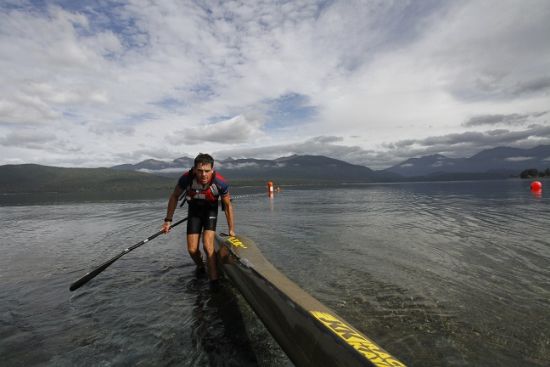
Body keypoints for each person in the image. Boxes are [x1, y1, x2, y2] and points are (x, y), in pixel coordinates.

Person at [162, 153, 235, 283]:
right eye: (200, 171)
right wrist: (168, 220)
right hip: (194, 211)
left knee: (208, 246)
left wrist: (231, 230)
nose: (203, 175)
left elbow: (228, 206)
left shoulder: (220, 182)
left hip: (210, 210)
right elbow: (174, 197)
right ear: (194, 169)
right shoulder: (186, 179)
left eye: (207, 171)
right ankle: (201, 266)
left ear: (212, 170)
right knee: (192, 249)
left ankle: (214, 281)